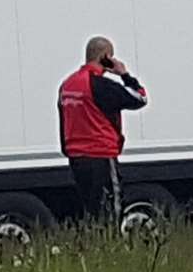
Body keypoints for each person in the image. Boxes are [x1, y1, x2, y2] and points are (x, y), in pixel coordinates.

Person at [57, 36, 148, 221]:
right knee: (110, 211)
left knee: (91, 211)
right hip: (101, 156)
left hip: (76, 159)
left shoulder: (67, 85)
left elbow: (63, 121)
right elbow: (140, 98)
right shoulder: (100, 85)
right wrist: (124, 74)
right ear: (106, 57)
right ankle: (111, 244)